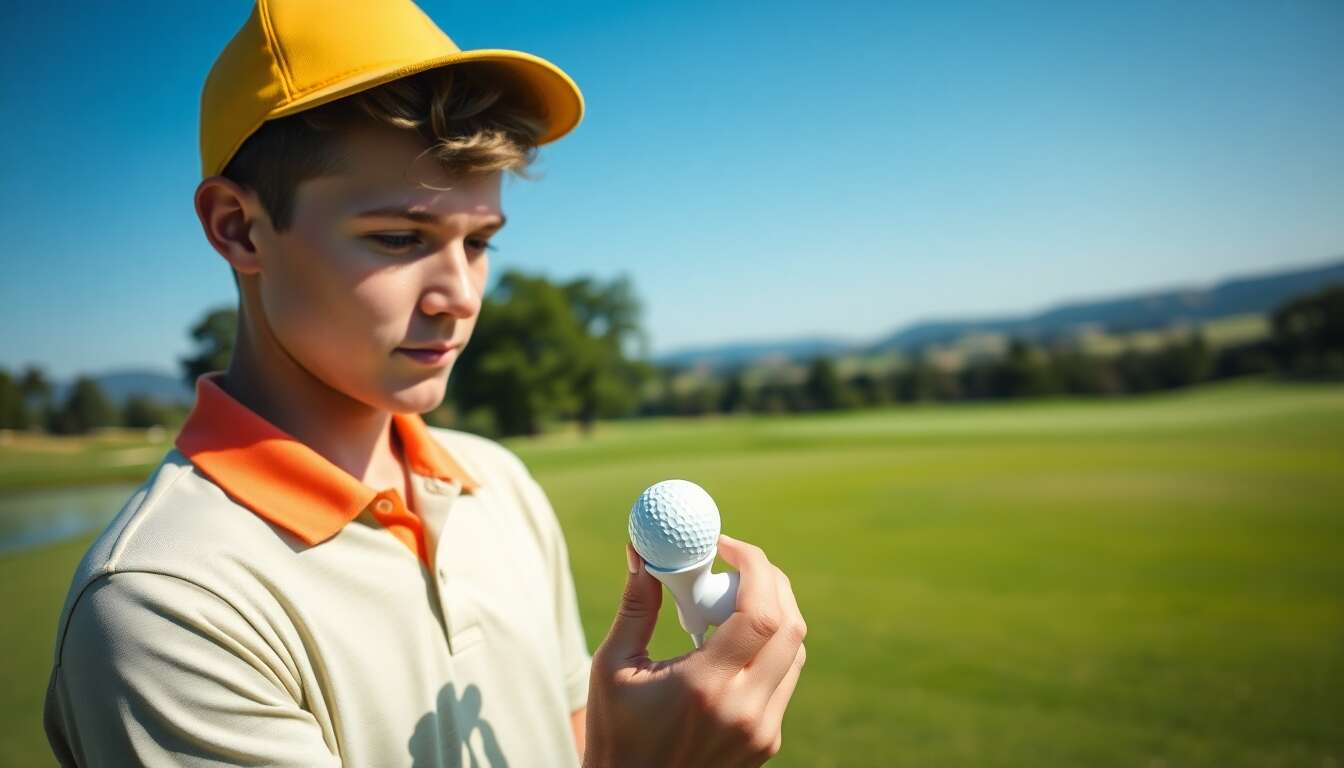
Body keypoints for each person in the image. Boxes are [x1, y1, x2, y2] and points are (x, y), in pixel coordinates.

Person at [41, 1, 807, 765]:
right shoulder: (165, 602)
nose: (460, 296)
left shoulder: (498, 484)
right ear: (238, 227)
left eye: (478, 243)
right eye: (399, 238)